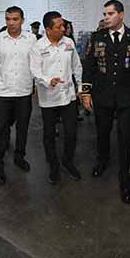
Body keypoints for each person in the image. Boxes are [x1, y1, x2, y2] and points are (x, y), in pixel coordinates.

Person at [81, 0, 130, 204]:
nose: (106, 17)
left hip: (127, 97)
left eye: (110, 14)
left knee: (126, 137)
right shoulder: (97, 37)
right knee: (102, 132)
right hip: (103, 95)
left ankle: (125, 178)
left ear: (121, 15)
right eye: (105, 14)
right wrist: (86, 92)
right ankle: (102, 160)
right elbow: (89, 66)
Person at [0, 6, 37, 185]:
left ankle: (19, 157)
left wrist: (37, 83)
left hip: (24, 91)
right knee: (0, 129)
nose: (11, 23)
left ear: (22, 20)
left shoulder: (31, 39)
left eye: (15, 19)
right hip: (3, 93)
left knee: (23, 128)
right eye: (8, 19)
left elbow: (36, 63)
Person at [29, 11, 83, 184]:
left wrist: (80, 87)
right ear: (48, 29)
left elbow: (77, 66)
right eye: (59, 27)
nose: (63, 29)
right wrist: (47, 80)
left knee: (71, 132)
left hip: (68, 96)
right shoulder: (38, 47)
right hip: (49, 97)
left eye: (63, 26)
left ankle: (68, 161)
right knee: (49, 134)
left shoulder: (69, 43)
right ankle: (53, 165)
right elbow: (35, 70)